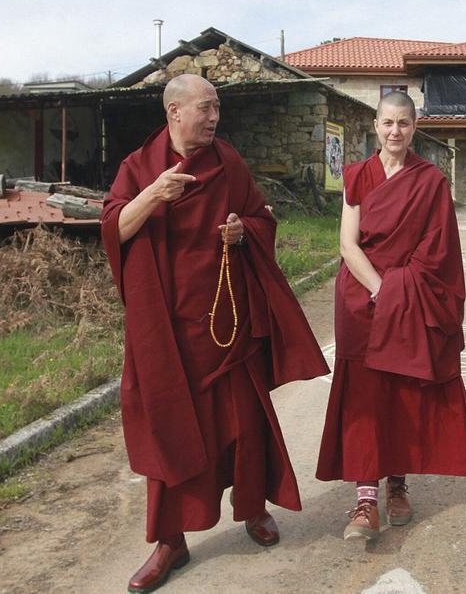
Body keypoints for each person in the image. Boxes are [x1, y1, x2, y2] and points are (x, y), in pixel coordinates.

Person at [101, 74, 329, 593]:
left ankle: (252, 509)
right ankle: (171, 541)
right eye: (205, 108)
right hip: (166, 331)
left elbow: (261, 217)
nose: (213, 118)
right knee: (171, 431)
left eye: (217, 109)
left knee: (243, 427)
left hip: (227, 327)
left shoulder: (226, 161)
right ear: (174, 111)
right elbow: (113, 228)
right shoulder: (139, 167)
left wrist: (244, 230)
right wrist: (154, 195)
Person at [316, 90, 466, 541]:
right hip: (363, 300)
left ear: (414, 126)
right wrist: (379, 289)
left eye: (403, 124)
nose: (395, 132)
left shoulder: (429, 181)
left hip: (409, 298)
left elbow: (439, 251)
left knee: (402, 392)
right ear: (376, 126)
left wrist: (394, 292)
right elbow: (348, 244)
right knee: (365, 398)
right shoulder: (357, 176)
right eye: (387, 123)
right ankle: (365, 498)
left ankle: (398, 483)